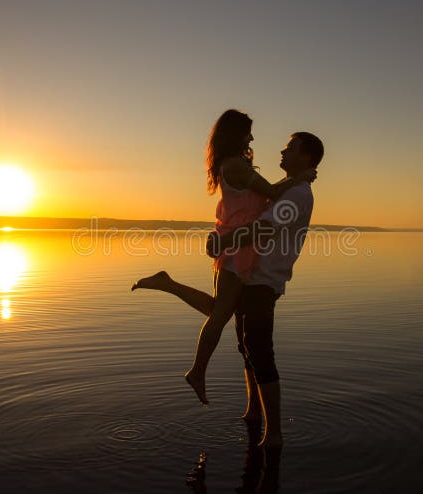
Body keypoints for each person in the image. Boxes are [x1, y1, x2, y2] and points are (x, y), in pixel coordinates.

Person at [131, 110, 315, 405]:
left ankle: (168, 284)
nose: (252, 138)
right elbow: (270, 192)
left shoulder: (236, 164)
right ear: (235, 134)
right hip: (237, 246)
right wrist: (298, 178)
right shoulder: (234, 166)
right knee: (219, 316)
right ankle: (197, 371)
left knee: (219, 310)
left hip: (237, 244)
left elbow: (265, 199)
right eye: (248, 133)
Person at [207, 131, 324, 448]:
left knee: (259, 349)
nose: (283, 151)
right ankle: (253, 413)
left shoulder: (299, 194)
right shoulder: (289, 188)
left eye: (291, 148)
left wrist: (223, 241)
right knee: (247, 347)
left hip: (264, 280)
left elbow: (265, 227)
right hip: (249, 275)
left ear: (307, 156)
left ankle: (273, 435)